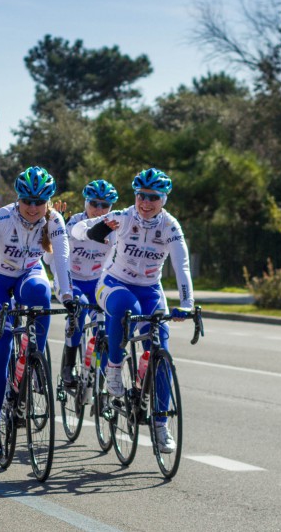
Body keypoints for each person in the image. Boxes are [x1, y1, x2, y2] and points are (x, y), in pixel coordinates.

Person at [70, 167, 194, 454]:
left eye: (153, 197)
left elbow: (182, 266)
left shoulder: (170, 226)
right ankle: (114, 368)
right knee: (127, 306)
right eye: (141, 196)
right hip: (113, 284)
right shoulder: (122, 218)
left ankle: (160, 426)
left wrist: (187, 305)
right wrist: (92, 230)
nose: (146, 203)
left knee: (161, 353)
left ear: (164, 199)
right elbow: (75, 230)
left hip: (151, 289)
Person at [0, 166, 73, 457]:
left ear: (47, 201)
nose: (32, 207)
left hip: (28, 275)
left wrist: (67, 295)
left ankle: (33, 364)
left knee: (40, 291)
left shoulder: (53, 220)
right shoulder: (3, 218)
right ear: (18, 198)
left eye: (39, 201)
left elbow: (61, 259)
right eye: (27, 200)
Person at [54, 179, 118, 387]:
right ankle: (69, 364)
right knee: (78, 309)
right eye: (94, 204)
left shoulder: (115, 227)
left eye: (104, 205)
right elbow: (54, 258)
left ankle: (107, 375)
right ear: (85, 202)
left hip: (98, 282)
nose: (98, 210)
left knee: (107, 324)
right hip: (75, 280)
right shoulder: (73, 224)